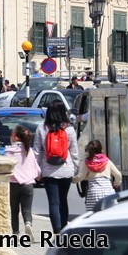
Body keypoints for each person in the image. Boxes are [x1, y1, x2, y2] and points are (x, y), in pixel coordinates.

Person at [34, 99, 79, 233]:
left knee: (53, 202)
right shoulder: (69, 129)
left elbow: (37, 152)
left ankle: (57, 231)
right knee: (63, 200)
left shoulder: (42, 128)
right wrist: (75, 169)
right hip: (66, 170)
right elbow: (74, 152)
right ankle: (64, 230)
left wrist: (37, 170)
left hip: (48, 171)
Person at [8, 124, 38, 235]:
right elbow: (36, 168)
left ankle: (15, 233)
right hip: (28, 184)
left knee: (14, 210)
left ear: (16, 137)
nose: (11, 135)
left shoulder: (9, 151)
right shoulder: (29, 151)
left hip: (13, 184)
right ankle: (28, 223)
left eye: (12, 133)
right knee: (27, 209)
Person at [76, 139, 121, 212]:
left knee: (94, 216)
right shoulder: (107, 161)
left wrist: (71, 179)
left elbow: (80, 177)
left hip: (94, 193)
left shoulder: (87, 162)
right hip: (108, 192)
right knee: (110, 215)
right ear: (101, 149)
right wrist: (116, 183)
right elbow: (118, 174)